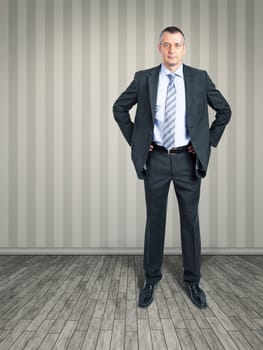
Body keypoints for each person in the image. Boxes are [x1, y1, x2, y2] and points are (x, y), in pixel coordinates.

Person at [113, 26, 231, 309]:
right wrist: (138, 142)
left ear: (184, 48)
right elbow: (120, 108)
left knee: (190, 221)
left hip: (187, 160)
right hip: (156, 159)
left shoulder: (199, 78)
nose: (172, 50)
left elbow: (224, 110)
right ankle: (151, 279)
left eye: (177, 45)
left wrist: (205, 143)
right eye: (166, 45)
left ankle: (193, 281)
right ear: (159, 48)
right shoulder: (144, 79)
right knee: (155, 221)